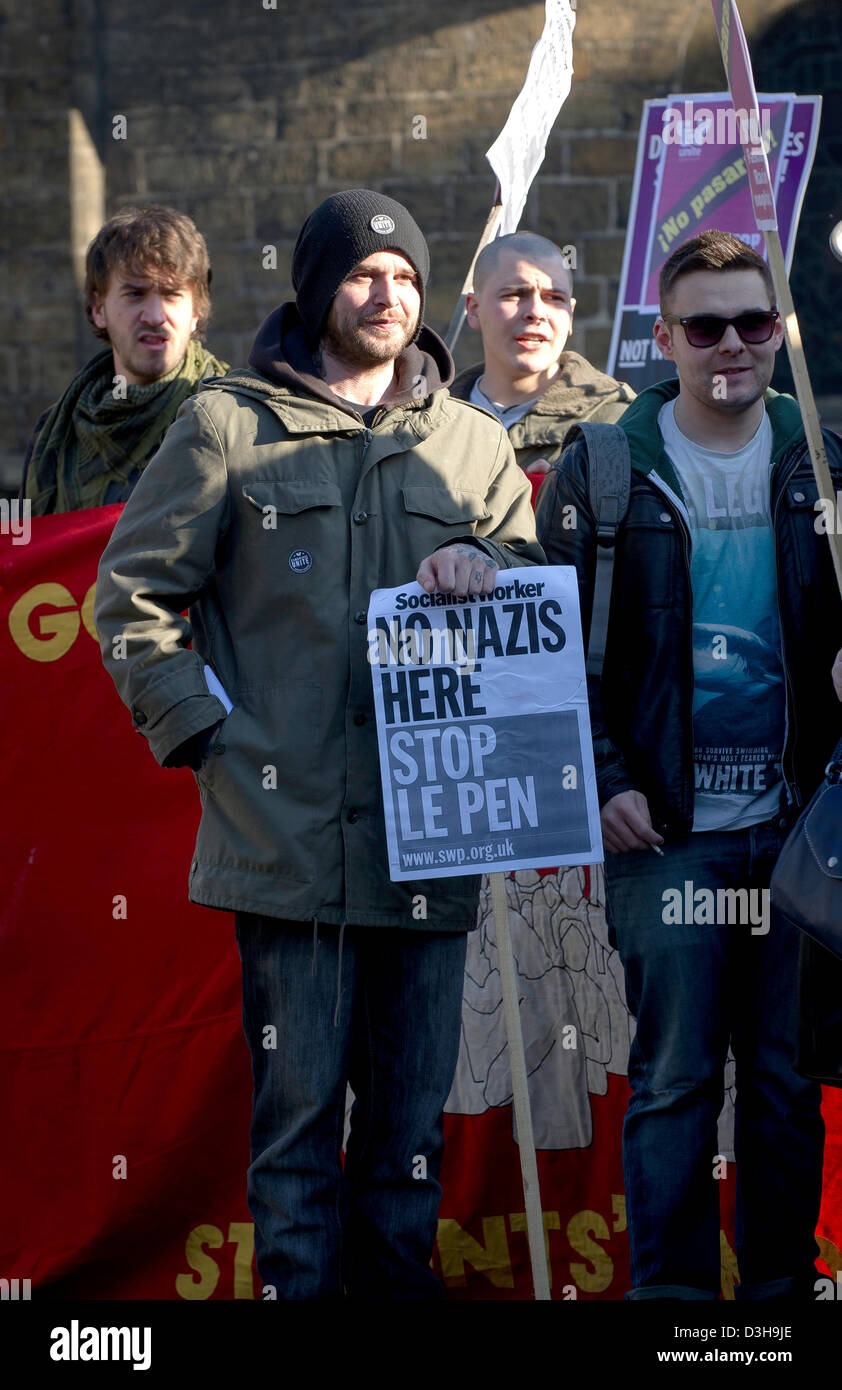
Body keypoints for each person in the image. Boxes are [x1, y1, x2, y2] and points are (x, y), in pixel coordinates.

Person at [94, 189, 544, 1301]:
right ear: (315, 288)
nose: (386, 295)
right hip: (285, 848)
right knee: (295, 1148)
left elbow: (539, 611)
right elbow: (130, 597)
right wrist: (206, 739)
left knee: (405, 1151)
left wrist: (492, 575)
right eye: (361, 274)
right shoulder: (226, 427)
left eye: (403, 277)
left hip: (430, 846)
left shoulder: (472, 446)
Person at [536, 229, 842, 1301]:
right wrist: (606, 775)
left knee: (781, 1085)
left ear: (777, 332)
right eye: (702, 325)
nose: (729, 344)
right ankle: (665, 1307)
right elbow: (554, 650)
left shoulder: (822, 456)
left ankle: (774, 1304)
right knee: (670, 1081)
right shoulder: (603, 465)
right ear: (661, 337)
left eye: (751, 322)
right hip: (664, 832)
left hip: (799, 830)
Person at [21, 205, 227, 515]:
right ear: (98, 309)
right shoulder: (55, 433)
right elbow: (24, 550)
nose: (155, 317)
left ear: (196, 312)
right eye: (135, 294)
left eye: (172, 294)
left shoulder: (232, 416)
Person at [450, 231, 634, 474]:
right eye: (514, 295)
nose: (536, 312)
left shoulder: (618, 423)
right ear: (473, 310)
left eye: (554, 298)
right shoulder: (429, 423)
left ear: (570, 314)